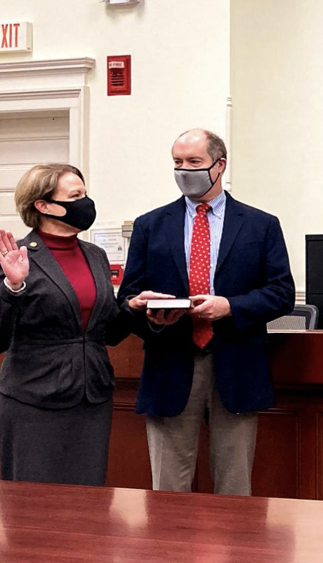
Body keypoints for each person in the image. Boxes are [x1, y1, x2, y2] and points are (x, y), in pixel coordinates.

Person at [118, 129, 294, 495]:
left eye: (194, 163)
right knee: (168, 488)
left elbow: (282, 294)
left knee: (234, 485)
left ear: (220, 165)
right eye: (177, 163)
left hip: (236, 363)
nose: (184, 171)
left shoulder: (261, 225)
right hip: (170, 363)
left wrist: (230, 306)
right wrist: (148, 313)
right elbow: (128, 298)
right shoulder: (150, 225)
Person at [0, 163, 131, 485]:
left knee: (88, 506)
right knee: (34, 509)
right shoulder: (16, 257)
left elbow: (107, 332)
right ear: (43, 205)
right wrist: (13, 287)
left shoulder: (96, 255)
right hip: (32, 402)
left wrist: (136, 309)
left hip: (92, 400)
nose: (85, 203)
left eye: (85, 194)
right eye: (75, 196)